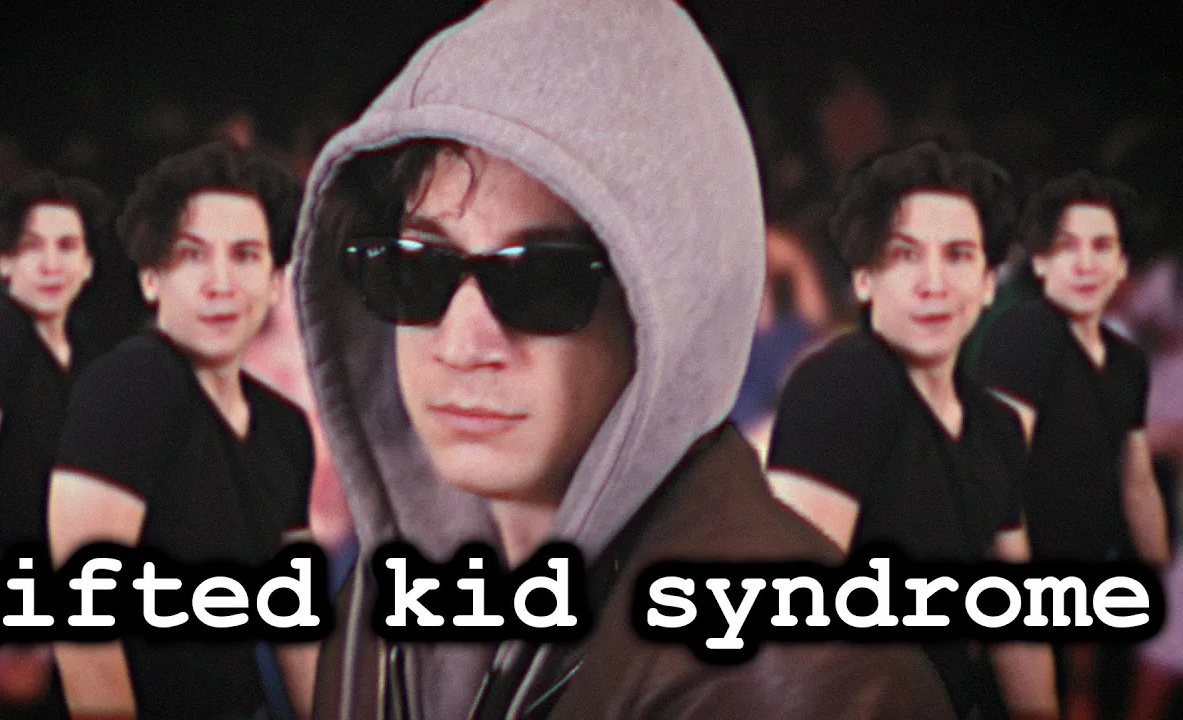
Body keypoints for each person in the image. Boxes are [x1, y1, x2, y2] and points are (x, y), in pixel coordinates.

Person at [292, 1, 954, 718]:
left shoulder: (806, 677)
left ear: (664, 309)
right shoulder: (382, 612)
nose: (460, 344)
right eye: (416, 267)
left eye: (542, 281)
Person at [764, 141, 1058, 720]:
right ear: (864, 280)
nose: (934, 283)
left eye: (959, 256)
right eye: (905, 256)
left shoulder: (996, 424)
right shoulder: (843, 383)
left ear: (989, 282)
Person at [46, 142, 318, 719]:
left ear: (276, 282)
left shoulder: (284, 427)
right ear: (151, 279)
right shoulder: (132, 385)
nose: (221, 283)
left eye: (245, 256)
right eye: (193, 256)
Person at [977, 171, 1171, 720]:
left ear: (1123, 265)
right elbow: (995, 468)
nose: (1086, 263)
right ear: (1041, 263)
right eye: (1067, 247)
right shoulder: (1027, 332)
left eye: (1102, 247)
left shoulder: (1126, 361)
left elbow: (1135, 480)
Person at [0, 170, 110, 720]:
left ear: (88, 264)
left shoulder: (87, 352)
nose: (51, 263)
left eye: (67, 246)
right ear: (4, 262)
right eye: (32, 247)